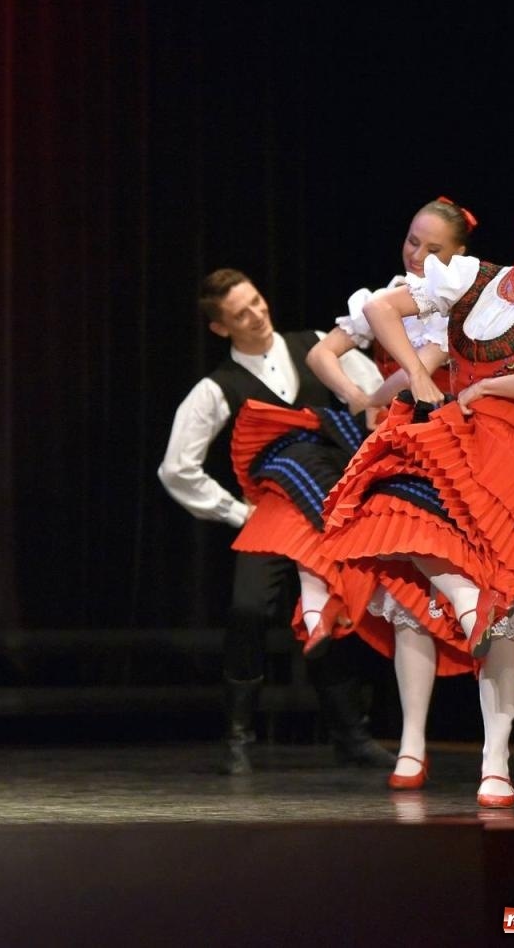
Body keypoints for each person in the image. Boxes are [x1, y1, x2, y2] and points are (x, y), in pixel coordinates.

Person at [321, 190, 514, 806]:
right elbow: (383, 309)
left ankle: (496, 759)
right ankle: (444, 660)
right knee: (396, 517)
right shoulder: (470, 278)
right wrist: (421, 373)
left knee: (507, 599)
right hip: (450, 435)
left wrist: (487, 392)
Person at [158, 269, 391, 775]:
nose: (257, 315)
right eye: (241, 313)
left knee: (337, 611)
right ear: (221, 328)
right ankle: (238, 738)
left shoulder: (317, 347)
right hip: (270, 514)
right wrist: (238, 512)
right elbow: (176, 467)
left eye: (257, 301)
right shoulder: (219, 387)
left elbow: (376, 399)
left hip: (324, 506)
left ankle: (352, 734)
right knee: (247, 609)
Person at [297, 197, 478, 789]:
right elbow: (321, 352)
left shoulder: (461, 305)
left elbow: (418, 368)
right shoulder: (385, 296)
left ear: (459, 258)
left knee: (477, 596)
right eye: (412, 240)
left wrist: (376, 393)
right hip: (395, 449)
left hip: (447, 449)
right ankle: (411, 745)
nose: (417, 254)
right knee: (406, 605)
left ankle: (493, 754)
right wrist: (356, 394)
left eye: (433, 248)